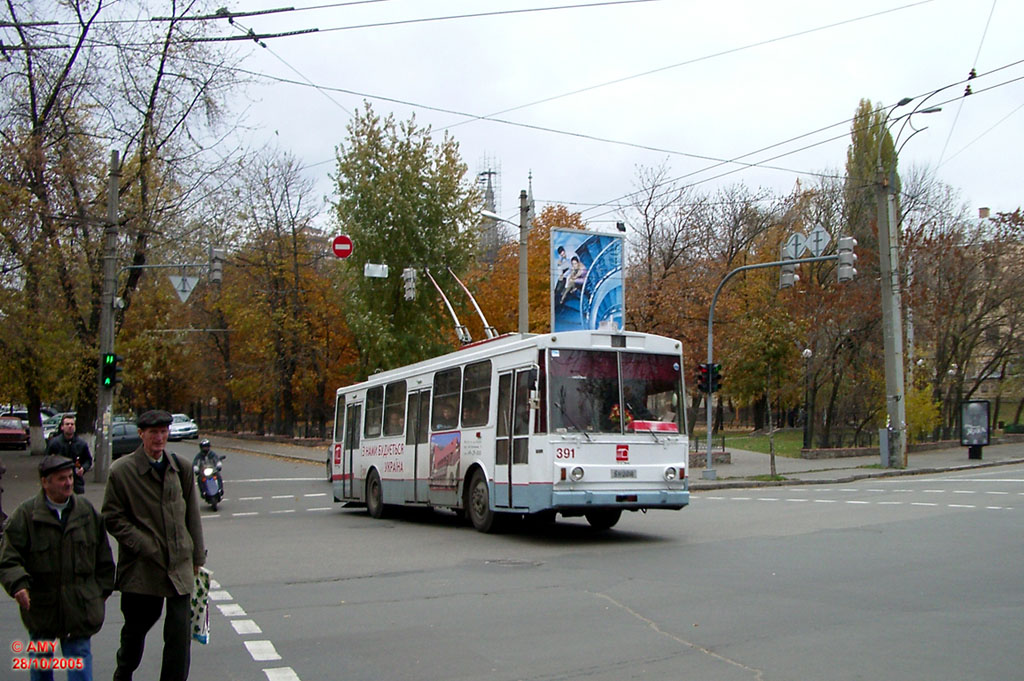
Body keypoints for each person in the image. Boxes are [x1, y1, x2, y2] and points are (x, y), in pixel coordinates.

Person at [102, 410, 206, 681]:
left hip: (179, 566)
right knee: (136, 630)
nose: (159, 438)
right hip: (142, 569)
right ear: (141, 434)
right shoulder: (122, 471)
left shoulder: (179, 467)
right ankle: (123, 672)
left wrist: (197, 555)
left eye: (163, 432)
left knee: (179, 636)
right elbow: (112, 517)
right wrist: (142, 544)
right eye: (153, 433)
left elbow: (191, 513)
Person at [0, 455, 115, 681]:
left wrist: (98, 594)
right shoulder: (26, 515)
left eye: (71, 477)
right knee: (41, 666)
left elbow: (103, 558)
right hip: (42, 608)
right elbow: (8, 559)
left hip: (80, 608)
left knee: (80, 663)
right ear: (45, 482)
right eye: (61, 479)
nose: (68, 483)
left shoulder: (86, 512)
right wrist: (18, 585)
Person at [46, 415, 93, 495]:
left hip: (77, 483)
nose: (70, 426)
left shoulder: (81, 443)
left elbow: (88, 460)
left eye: (72, 424)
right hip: (59, 482)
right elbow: (47, 461)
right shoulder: (54, 443)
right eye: (67, 424)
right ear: (62, 427)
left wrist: (83, 468)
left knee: (77, 506)